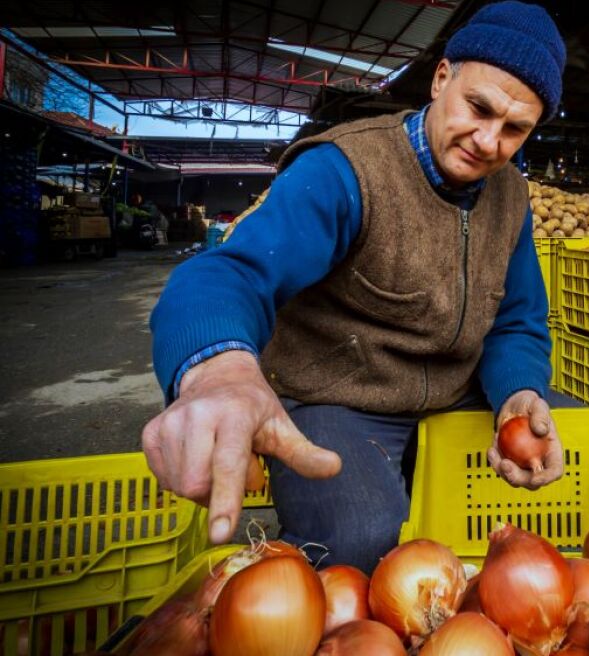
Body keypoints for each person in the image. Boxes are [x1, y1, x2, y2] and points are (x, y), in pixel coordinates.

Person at [142, 1, 567, 573]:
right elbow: (229, 272)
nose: (489, 141)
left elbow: (516, 321)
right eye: (478, 108)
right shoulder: (347, 171)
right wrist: (219, 370)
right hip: (338, 395)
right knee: (361, 543)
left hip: (453, 388)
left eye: (515, 129)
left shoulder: (511, 198)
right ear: (442, 79)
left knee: (566, 457)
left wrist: (520, 393)